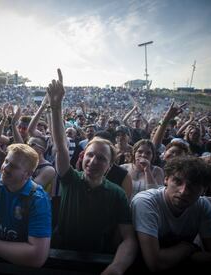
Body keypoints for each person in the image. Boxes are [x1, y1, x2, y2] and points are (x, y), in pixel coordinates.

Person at [48, 69, 137, 275]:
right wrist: (56, 106)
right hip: (60, 256)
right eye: (90, 155)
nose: (93, 161)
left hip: (97, 262)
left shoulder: (117, 194)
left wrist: (116, 267)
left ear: (109, 165)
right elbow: (61, 146)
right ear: (82, 156)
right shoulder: (71, 179)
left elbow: (129, 240)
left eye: (101, 158)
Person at [131, 156, 211, 272]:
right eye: (178, 181)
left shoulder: (204, 206)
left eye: (193, 184)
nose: (183, 191)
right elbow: (156, 263)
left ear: (204, 190)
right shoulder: (146, 202)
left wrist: (172, 256)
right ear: (166, 179)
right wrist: (188, 247)